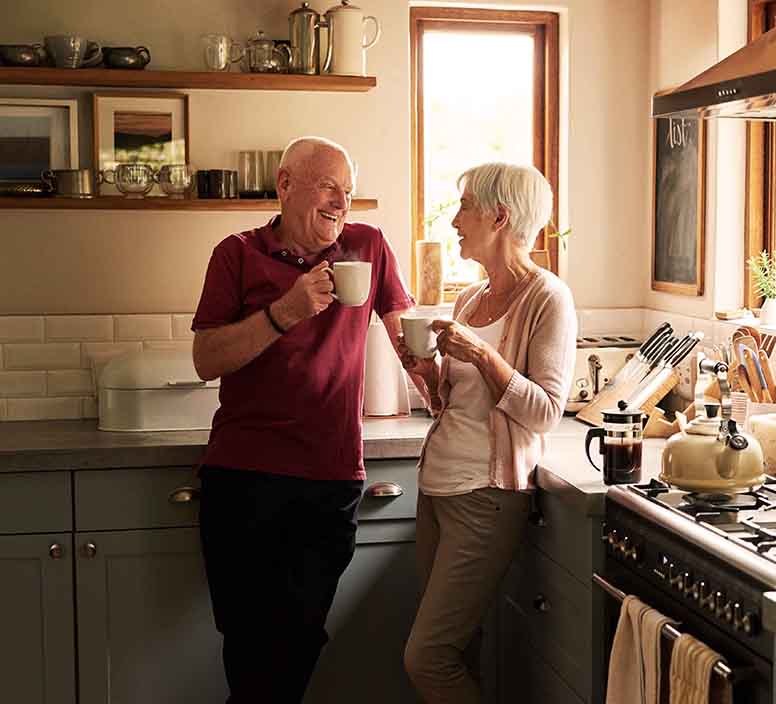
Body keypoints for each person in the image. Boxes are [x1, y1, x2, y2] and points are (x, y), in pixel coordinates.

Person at [191, 136, 423, 703]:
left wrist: (445, 386)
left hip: (329, 479)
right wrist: (286, 311)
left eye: (348, 191)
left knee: (297, 639)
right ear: (286, 184)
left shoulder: (367, 247)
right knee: (248, 644)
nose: (342, 202)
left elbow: (405, 337)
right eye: (328, 186)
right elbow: (206, 359)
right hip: (243, 478)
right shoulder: (237, 253)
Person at [399, 162, 577, 704]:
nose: (454, 221)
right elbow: (457, 408)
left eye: (465, 208)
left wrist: (481, 354)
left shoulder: (548, 298)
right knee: (457, 651)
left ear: (499, 217)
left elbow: (546, 411)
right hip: (438, 489)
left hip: (486, 497)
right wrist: (428, 377)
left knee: (426, 658)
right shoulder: (470, 301)